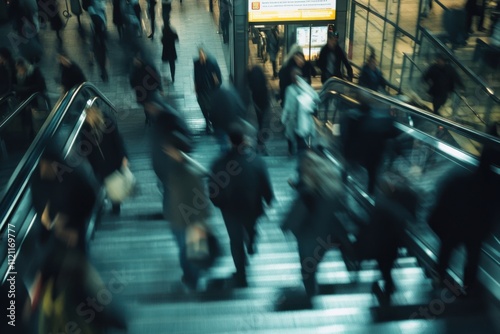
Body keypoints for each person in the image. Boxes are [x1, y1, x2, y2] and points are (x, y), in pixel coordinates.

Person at [209, 126, 274, 287]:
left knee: (235, 241)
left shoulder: (219, 164)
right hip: (252, 206)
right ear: (245, 141)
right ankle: (251, 241)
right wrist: (269, 199)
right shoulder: (257, 161)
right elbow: (265, 183)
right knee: (251, 227)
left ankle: (241, 274)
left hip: (229, 209)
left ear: (229, 141)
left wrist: (219, 203)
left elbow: (212, 190)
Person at [281, 150, 346, 298]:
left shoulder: (307, 191)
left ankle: (311, 293)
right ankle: (312, 288)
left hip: (308, 235)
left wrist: (286, 226)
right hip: (325, 235)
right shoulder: (330, 186)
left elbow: (298, 212)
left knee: (307, 267)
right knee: (312, 264)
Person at [82, 105, 129, 214]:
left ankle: (116, 205)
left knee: (114, 183)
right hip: (98, 164)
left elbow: (117, 140)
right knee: (104, 182)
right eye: (86, 114)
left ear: (95, 112)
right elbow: (85, 148)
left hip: (113, 160)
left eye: (89, 113)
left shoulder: (107, 122)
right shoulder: (85, 129)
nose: (88, 116)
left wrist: (123, 156)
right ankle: (106, 199)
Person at [281, 67, 319, 156]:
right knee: (294, 136)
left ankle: (296, 153)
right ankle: (295, 152)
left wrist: (283, 119)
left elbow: (287, 107)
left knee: (296, 138)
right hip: (298, 120)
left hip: (300, 120)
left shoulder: (292, 89)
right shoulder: (305, 88)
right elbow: (316, 99)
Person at [13, 57, 47, 139]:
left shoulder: (34, 72)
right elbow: (15, 85)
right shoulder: (18, 74)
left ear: (23, 66)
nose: (19, 70)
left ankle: (36, 136)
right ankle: (29, 135)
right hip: (24, 101)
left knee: (35, 120)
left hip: (34, 100)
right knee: (26, 119)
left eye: (20, 68)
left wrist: (24, 89)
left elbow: (40, 86)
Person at [193, 47, 222, 134]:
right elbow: (195, 75)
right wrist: (195, 87)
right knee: (202, 105)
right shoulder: (197, 63)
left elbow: (217, 78)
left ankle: (212, 121)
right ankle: (207, 122)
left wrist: (216, 84)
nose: (201, 57)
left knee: (211, 107)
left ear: (205, 55)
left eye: (203, 55)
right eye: (200, 55)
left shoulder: (212, 63)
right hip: (201, 89)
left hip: (210, 89)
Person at [129, 54, 164, 123]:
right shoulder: (134, 69)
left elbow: (156, 76)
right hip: (141, 91)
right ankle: (148, 117)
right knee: (146, 105)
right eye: (135, 60)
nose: (135, 61)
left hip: (149, 90)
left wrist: (160, 88)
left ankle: (152, 117)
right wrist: (134, 86)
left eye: (137, 60)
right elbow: (132, 79)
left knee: (150, 103)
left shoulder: (148, 67)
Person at [247, 65, 270, 154]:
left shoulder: (252, 79)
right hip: (264, 103)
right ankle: (261, 144)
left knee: (260, 123)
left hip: (257, 103)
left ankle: (259, 143)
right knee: (262, 124)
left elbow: (250, 86)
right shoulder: (262, 83)